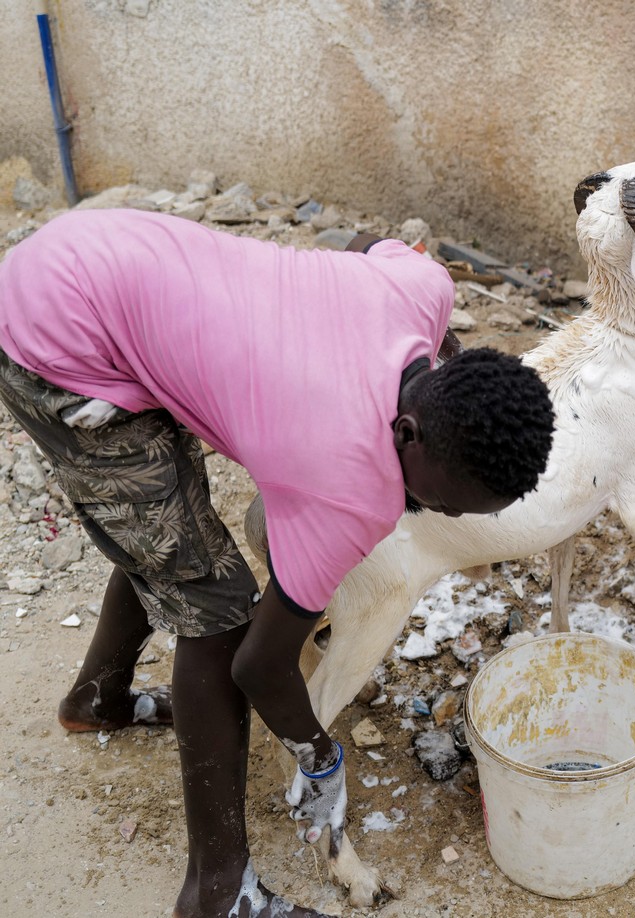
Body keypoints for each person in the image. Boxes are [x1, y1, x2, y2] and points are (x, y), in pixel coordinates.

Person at [0, 207, 556, 915]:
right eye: (446, 501)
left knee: (169, 533)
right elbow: (258, 664)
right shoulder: (346, 484)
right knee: (216, 611)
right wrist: (319, 755)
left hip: (106, 258)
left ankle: (98, 699)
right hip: (58, 344)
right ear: (406, 433)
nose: (441, 516)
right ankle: (217, 892)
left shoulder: (422, 290)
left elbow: (362, 244)